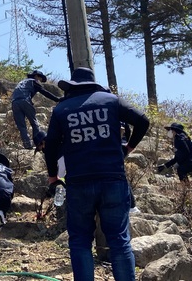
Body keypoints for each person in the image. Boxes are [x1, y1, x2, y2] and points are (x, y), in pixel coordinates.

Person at [44, 67, 150, 281]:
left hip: (79, 181)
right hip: (112, 179)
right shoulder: (111, 100)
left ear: (72, 86)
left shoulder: (62, 109)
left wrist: (53, 176)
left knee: (80, 240)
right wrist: (128, 148)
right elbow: (143, 121)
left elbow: (52, 145)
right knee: (119, 240)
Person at [11, 70, 61, 149]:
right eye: (40, 79)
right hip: (25, 101)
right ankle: (38, 143)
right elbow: (44, 92)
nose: (40, 81)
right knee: (34, 123)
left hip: (14, 102)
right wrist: (57, 99)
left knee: (21, 126)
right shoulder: (34, 81)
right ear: (36, 76)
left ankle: (27, 145)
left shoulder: (22, 82)